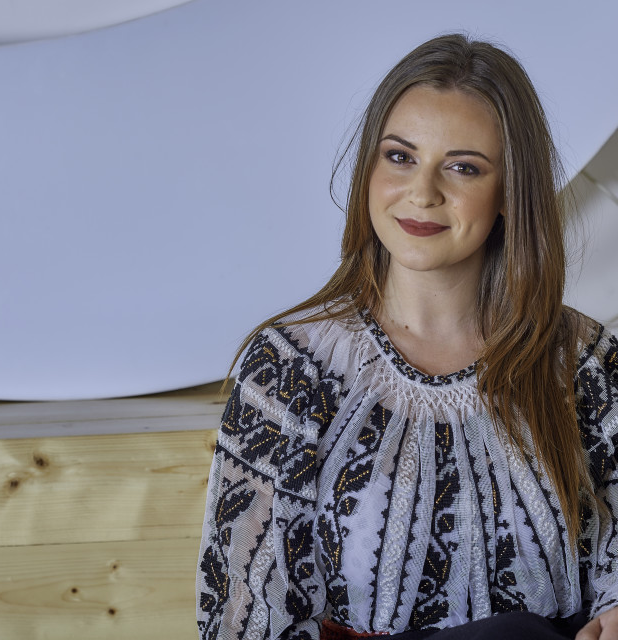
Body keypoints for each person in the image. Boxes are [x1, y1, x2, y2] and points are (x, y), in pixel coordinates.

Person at [196, 33, 618, 640]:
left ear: (509, 192)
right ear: (369, 164)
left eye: (463, 167)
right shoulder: (288, 368)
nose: (422, 192)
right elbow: (244, 615)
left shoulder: (585, 362)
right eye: (400, 156)